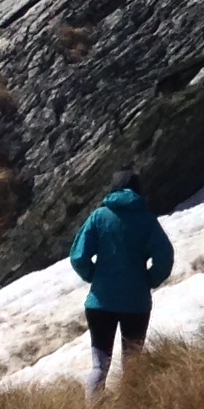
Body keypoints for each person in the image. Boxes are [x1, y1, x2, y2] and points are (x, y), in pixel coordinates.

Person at [68, 165, 174, 395]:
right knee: (133, 366)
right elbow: (164, 258)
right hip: (135, 303)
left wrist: (93, 276)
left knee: (99, 366)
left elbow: (78, 256)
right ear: (138, 189)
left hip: (100, 303)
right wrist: (149, 280)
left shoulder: (99, 216)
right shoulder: (147, 220)